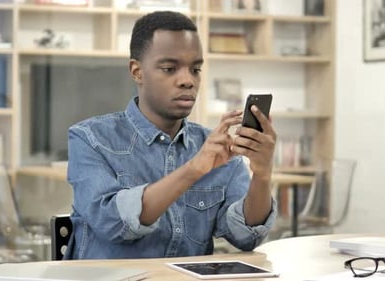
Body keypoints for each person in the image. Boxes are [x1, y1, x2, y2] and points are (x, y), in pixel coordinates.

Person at [65, 10, 277, 259]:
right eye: (169, 68)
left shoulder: (218, 149)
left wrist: (262, 174)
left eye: (195, 69)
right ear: (137, 71)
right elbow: (113, 223)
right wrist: (193, 170)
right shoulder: (89, 138)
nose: (187, 81)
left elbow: (245, 236)